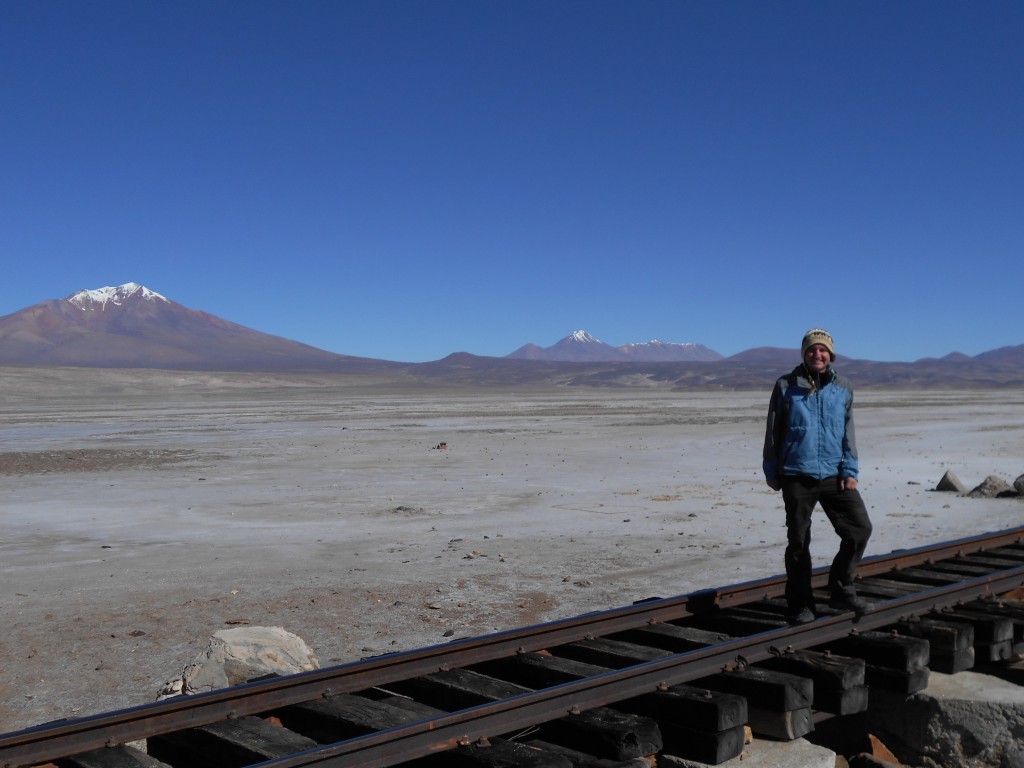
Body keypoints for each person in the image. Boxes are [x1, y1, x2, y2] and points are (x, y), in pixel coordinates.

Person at [763, 328, 873, 624]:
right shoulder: (786, 386)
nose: (817, 354)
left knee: (859, 529)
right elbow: (773, 431)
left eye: (823, 350)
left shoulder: (843, 388)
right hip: (796, 474)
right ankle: (800, 604)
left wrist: (850, 470)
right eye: (812, 349)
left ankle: (841, 588)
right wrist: (772, 471)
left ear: (831, 355)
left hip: (835, 474)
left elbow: (848, 432)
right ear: (804, 354)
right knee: (799, 542)